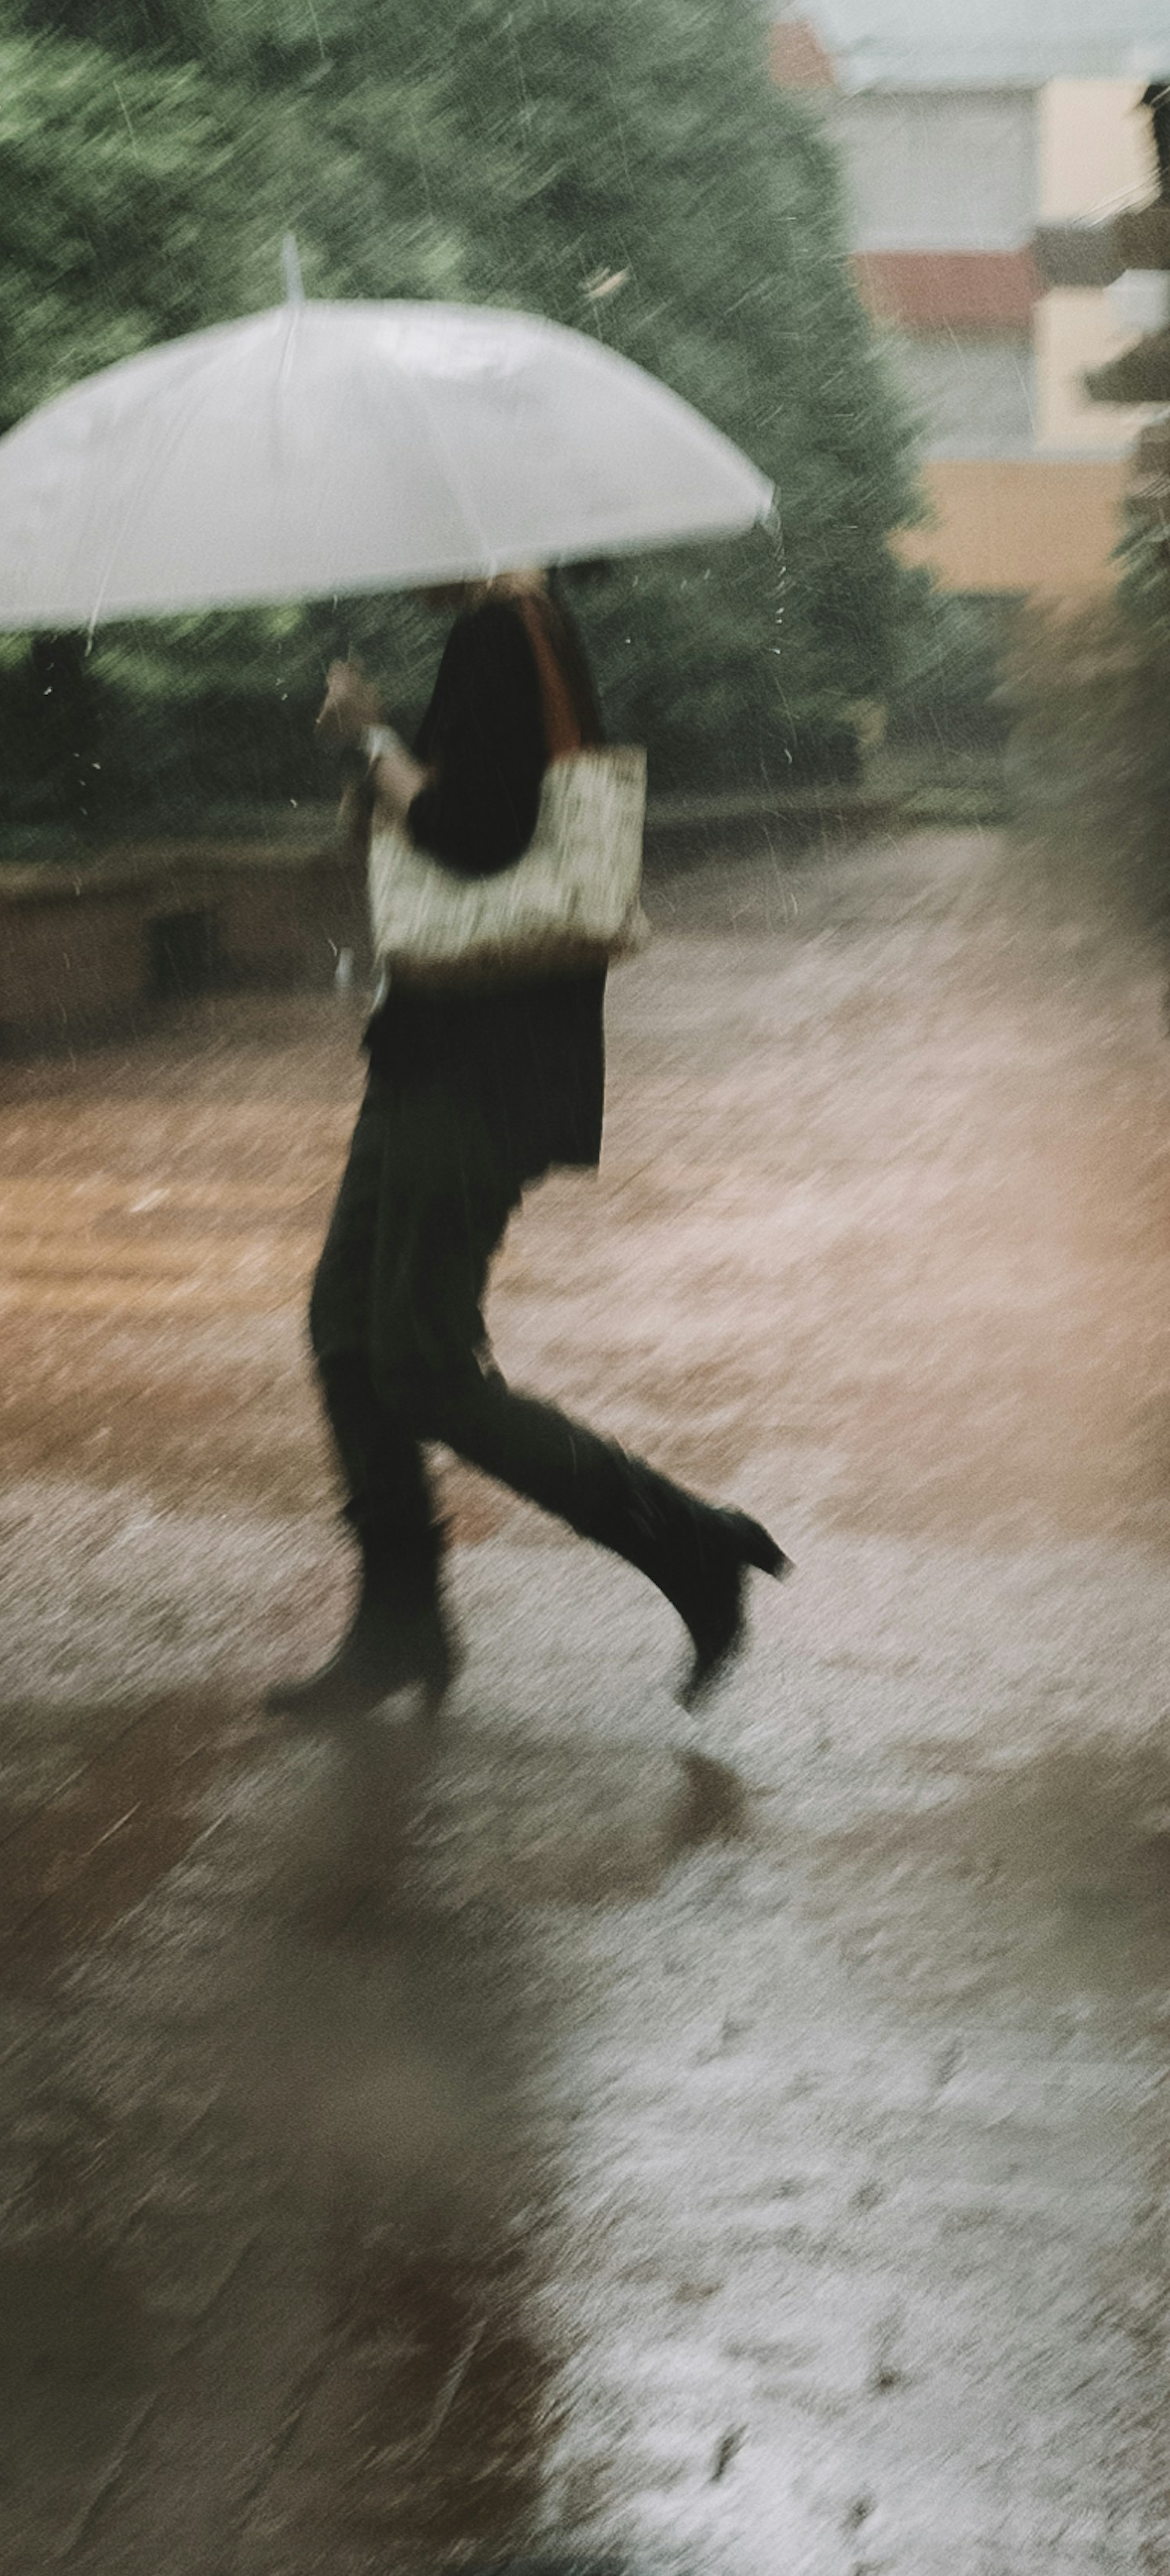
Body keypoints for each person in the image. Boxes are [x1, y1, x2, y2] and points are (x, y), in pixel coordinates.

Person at [265, 568, 786, 1720]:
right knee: (347, 1327)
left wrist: (368, 738)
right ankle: (400, 1620)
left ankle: (688, 1542)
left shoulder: (506, 630)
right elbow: (479, 805)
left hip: (480, 1063)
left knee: (417, 1362)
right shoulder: (513, 633)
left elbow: (474, 834)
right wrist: (387, 778)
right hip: (439, 1044)